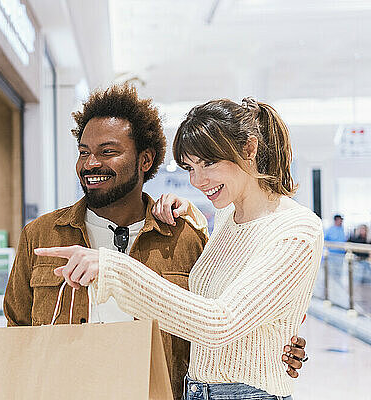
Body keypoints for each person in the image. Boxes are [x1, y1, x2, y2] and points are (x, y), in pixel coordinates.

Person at [36, 97, 320, 399]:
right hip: (195, 389)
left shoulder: (297, 231)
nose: (197, 181)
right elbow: (226, 281)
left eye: (208, 163)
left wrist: (114, 268)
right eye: (190, 167)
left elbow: (220, 322)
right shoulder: (227, 217)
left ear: (249, 149)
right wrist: (192, 217)